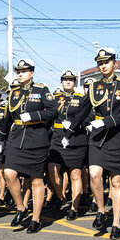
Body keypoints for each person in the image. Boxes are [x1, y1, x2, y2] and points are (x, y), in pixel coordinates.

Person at [65, 48, 120, 240]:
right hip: (97, 138)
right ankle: (102, 210)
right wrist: (70, 132)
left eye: (106, 62)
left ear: (115, 64)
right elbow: (83, 111)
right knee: (95, 174)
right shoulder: (94, 86)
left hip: (118, 137)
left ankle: (116, 223)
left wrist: (106, 122)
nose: (103, 66)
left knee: (116, 181)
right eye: (100, 63)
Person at [2, 58, 57, 233]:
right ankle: (21, 207)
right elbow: (8, 117)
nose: (20, 74)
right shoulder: (14, 93)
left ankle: (35, 218)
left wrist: (33, 117)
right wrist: (0, 136)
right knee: (9, 173)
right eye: (18, 72)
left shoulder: (42, 90)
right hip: (17, 138)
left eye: (24, 71)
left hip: (36, 139)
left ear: (32, 73)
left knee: (36, 180)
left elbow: (53, 111)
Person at [47, 69, 88, 221]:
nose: (68, 82)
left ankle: (74, 208)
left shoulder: (82, 98)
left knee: (75, 174)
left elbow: (88, 116)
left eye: (71, 79)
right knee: (52, 169)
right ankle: (61, 195)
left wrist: (74, 124)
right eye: (65, 79)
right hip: (58, 138)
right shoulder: (55, 98)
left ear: (74, 82)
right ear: (61, 82)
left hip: (76, 139)